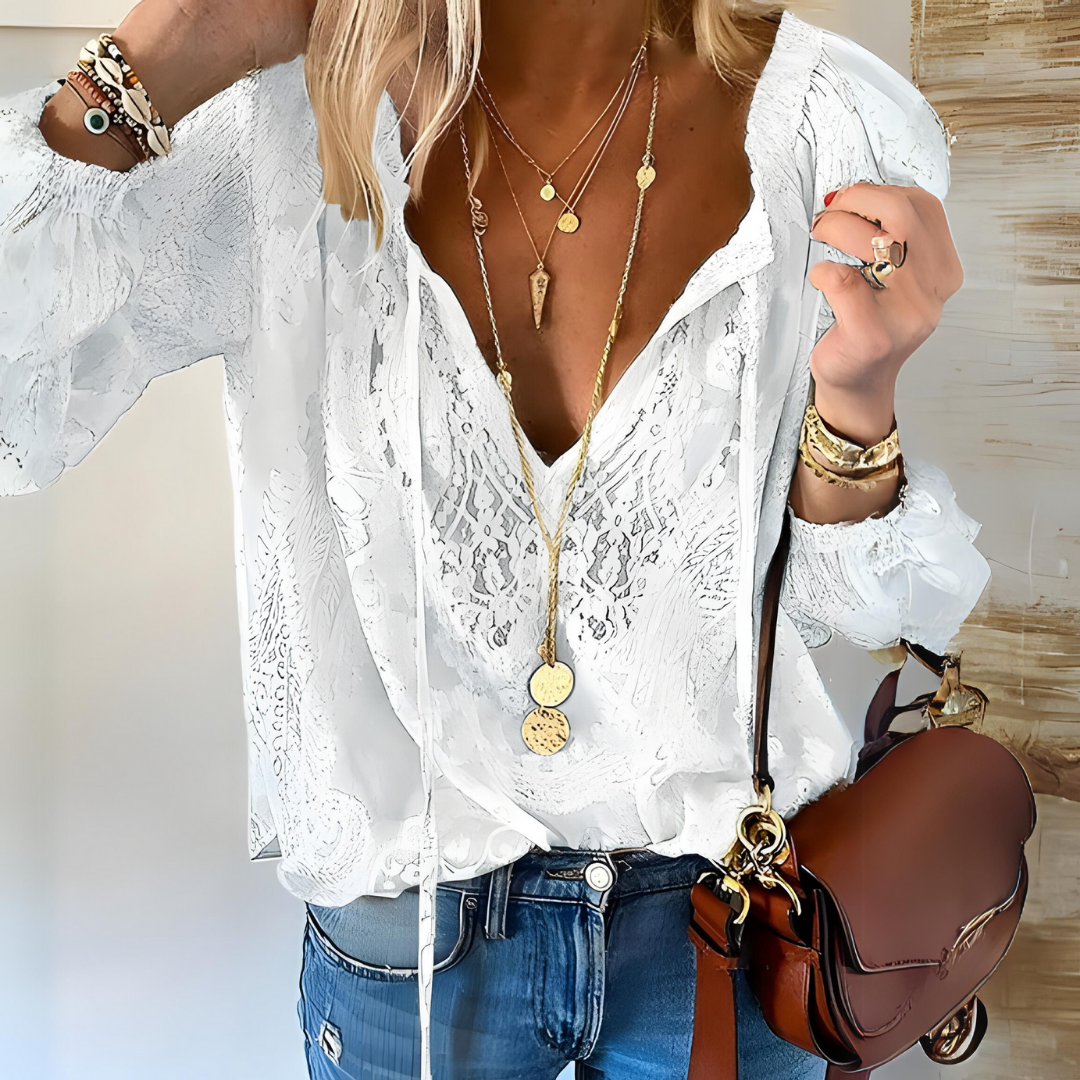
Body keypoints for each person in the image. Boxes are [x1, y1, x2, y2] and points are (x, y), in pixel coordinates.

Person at [0, 1, 989, 1077]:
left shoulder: (826, 119)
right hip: (408, 944)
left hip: (729, 920)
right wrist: (158, 53)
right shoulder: (282, 128)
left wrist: (858, 401)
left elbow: (857, 611)